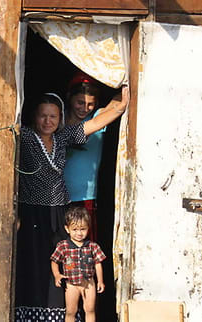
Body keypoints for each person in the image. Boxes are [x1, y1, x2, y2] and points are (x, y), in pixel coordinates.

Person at [14, 86, 128, 322]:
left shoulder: (62, 138)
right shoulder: (25, 136)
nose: (48, 121)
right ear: (34, 116)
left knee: (61, 263)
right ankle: (32, 315)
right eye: (43, 116)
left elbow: (94, 124)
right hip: (32, 210)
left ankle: (61, 315)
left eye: (53, 116)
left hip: (59, 211)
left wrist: (122, 103)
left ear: (60, 118)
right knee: (35, 262)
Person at [63, 73, 106, 241]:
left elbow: (117, 105)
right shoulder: (58, 118)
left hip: (86, 196)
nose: (84, 108)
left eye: (90, 104)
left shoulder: (96, 118)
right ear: (69, 97)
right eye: (80, 102)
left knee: (84, 246)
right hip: (57, 196)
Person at [50, 206, 106, 322]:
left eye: (83, 229)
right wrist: (57, 275)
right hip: (71, 284)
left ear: (88, 228)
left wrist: (100, 281)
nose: (79, 233)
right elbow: (54, 261)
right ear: (67, 229)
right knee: (71, 311)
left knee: (90, 309)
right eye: (75, 229)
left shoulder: (92, 246)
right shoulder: (63, 246)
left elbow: (98, 264)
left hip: (89, 283)